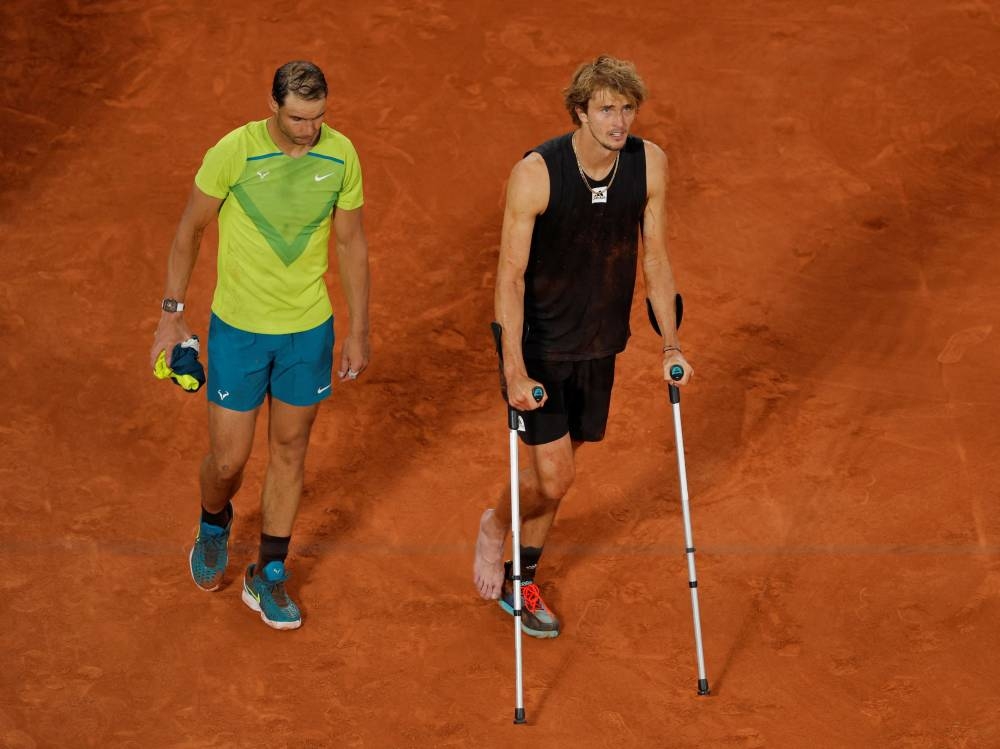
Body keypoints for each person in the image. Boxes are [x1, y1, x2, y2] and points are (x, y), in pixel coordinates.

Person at [473, 55, 692, 638]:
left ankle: (524, 574)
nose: (619, 122)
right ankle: (497, 527)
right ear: (580, 112)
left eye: (626, 108)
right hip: (541, 345)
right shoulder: (537, 173)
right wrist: (513, 368)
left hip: (601, 343)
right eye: (605, 109)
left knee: (559, 477)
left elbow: (656, 257)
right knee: (557, 476)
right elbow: (510, 277)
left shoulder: (649, 166)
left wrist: (671, 342)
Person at [150, 61, 370, 630]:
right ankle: (214, 524)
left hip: (306, 330)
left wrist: (359, 328)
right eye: (298, 118)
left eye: (318, 118)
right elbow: (189, 229)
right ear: (272, 106)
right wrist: (171, 318)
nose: (309, 130)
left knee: (291, 452)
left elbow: (350, 244)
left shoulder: (340, 155)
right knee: (228, 460)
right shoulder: (234, 152)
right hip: (240, 331)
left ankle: (268, 575)